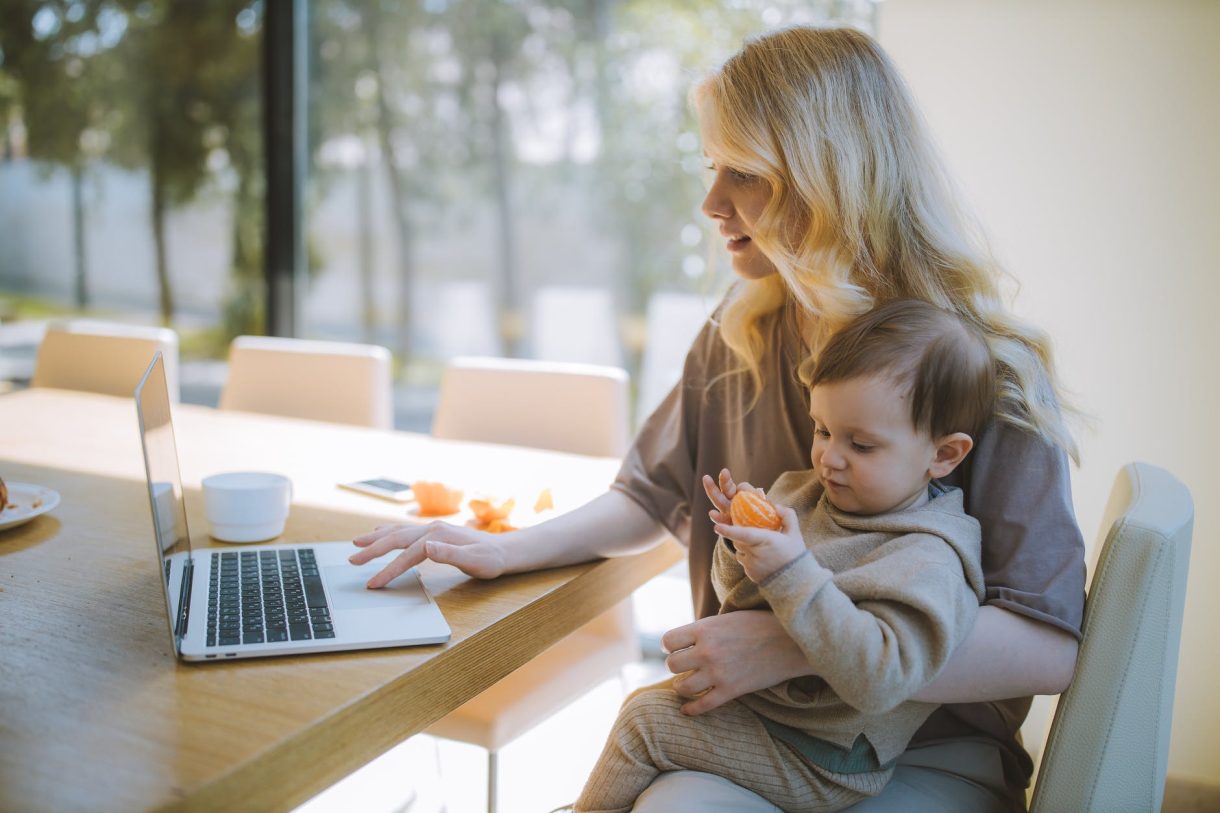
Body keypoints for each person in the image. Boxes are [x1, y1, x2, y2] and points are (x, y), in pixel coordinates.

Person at [350, 25, 1084, 811]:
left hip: (924, 751)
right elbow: (649, 494)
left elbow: (1046, 646)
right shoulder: (742, 329)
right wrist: (508, 548)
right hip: (762, 724)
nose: (711, 203)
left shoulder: (982, 370)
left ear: (828, 178)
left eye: (745, 174)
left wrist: (794, 643)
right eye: (712, 169)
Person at [573, 299, 994, 813]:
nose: (828, 458)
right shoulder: (806, 493)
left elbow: (882, 678)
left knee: (644, 725)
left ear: (944, 454)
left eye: (861, 445)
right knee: (649, 708)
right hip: (770, 717)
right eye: (822, 430)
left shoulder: (929, 555)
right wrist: (741, 544)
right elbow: (740, 599)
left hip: (825, 757)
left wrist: (791, 571)